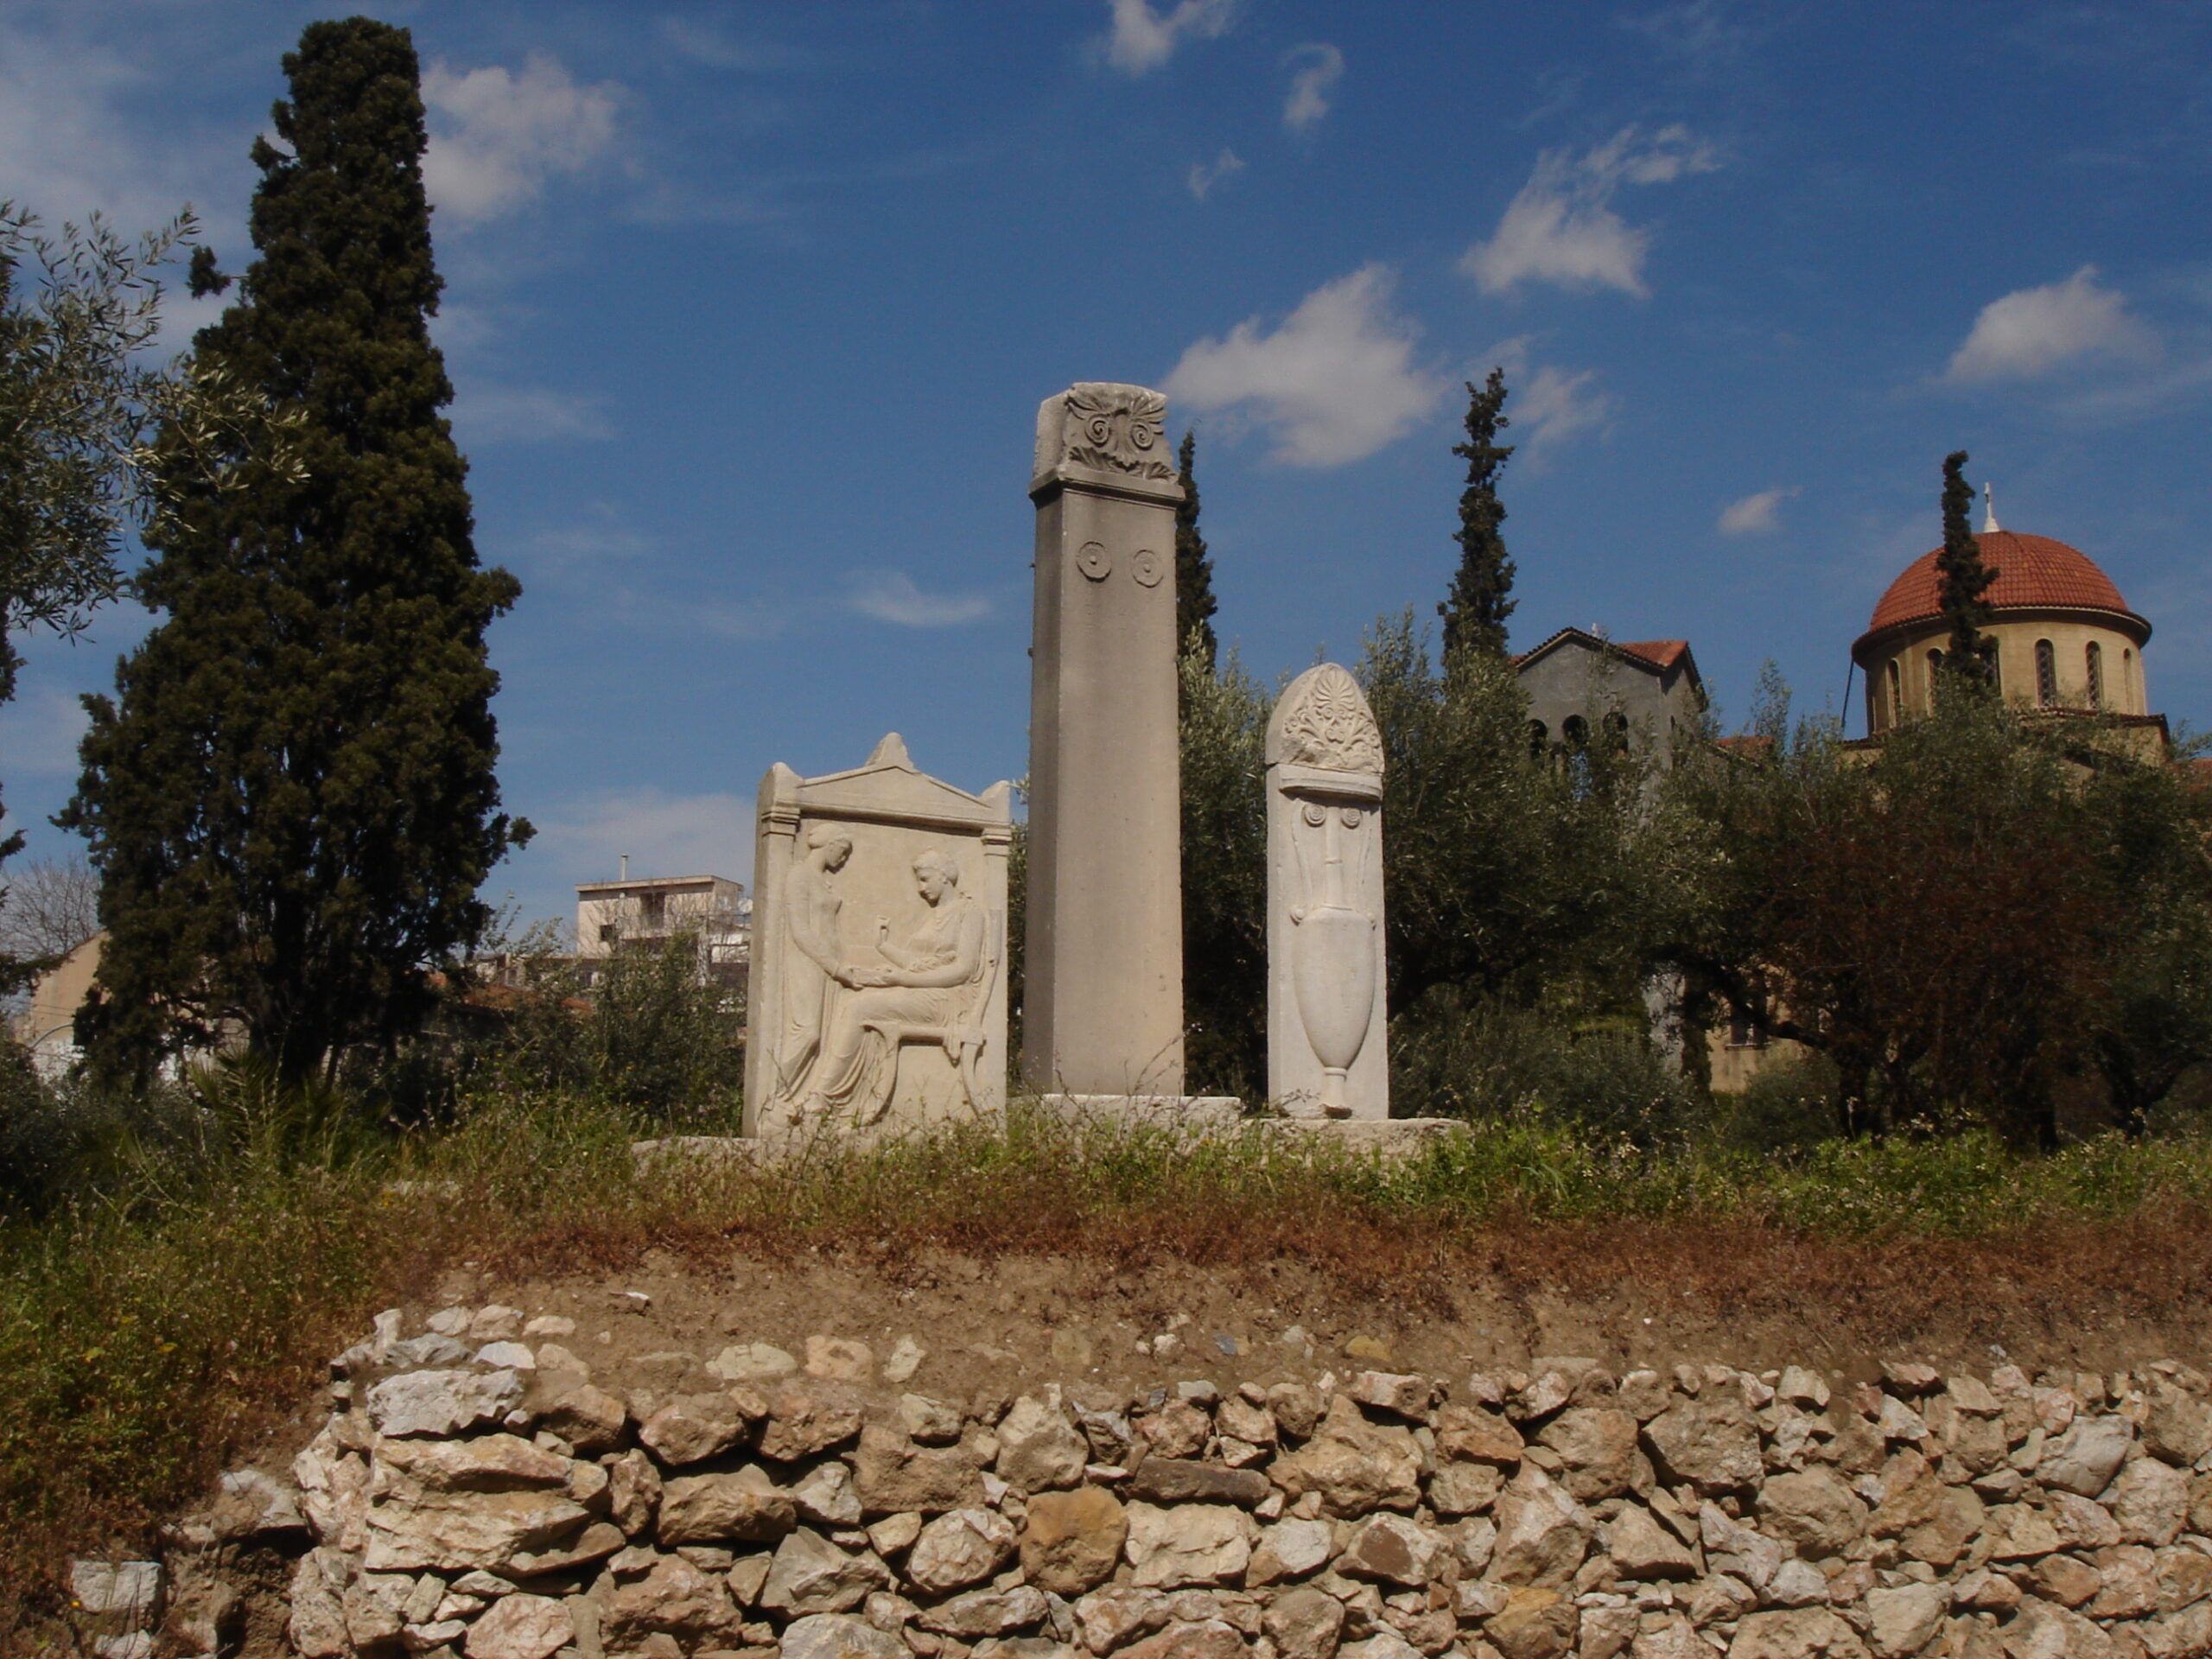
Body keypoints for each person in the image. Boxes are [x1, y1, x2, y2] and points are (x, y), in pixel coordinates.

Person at [804, 847, 988, 1124]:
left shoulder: (969, 912)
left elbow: (962, 970)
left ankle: (824, 1097)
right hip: (923, 991)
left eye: (925, 879)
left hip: (947, 1001)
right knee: (856, 999)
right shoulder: (935, 913)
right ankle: (840, 1098)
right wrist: (884, 947)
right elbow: (920, 962)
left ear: (945, 876)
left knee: (859, 1007)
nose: (919, 888)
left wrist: (903, 979)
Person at [772, 824, 855, 1105]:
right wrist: (834, 967)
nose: (843, 861)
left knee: (828, 1038)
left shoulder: (822, 880)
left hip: (832, 967)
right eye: (842, 853)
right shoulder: (799, 876)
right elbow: (800, 931)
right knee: (808, 1032)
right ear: (829, 845)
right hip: (809, 962)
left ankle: (805, 1101)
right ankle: (776, 1098)